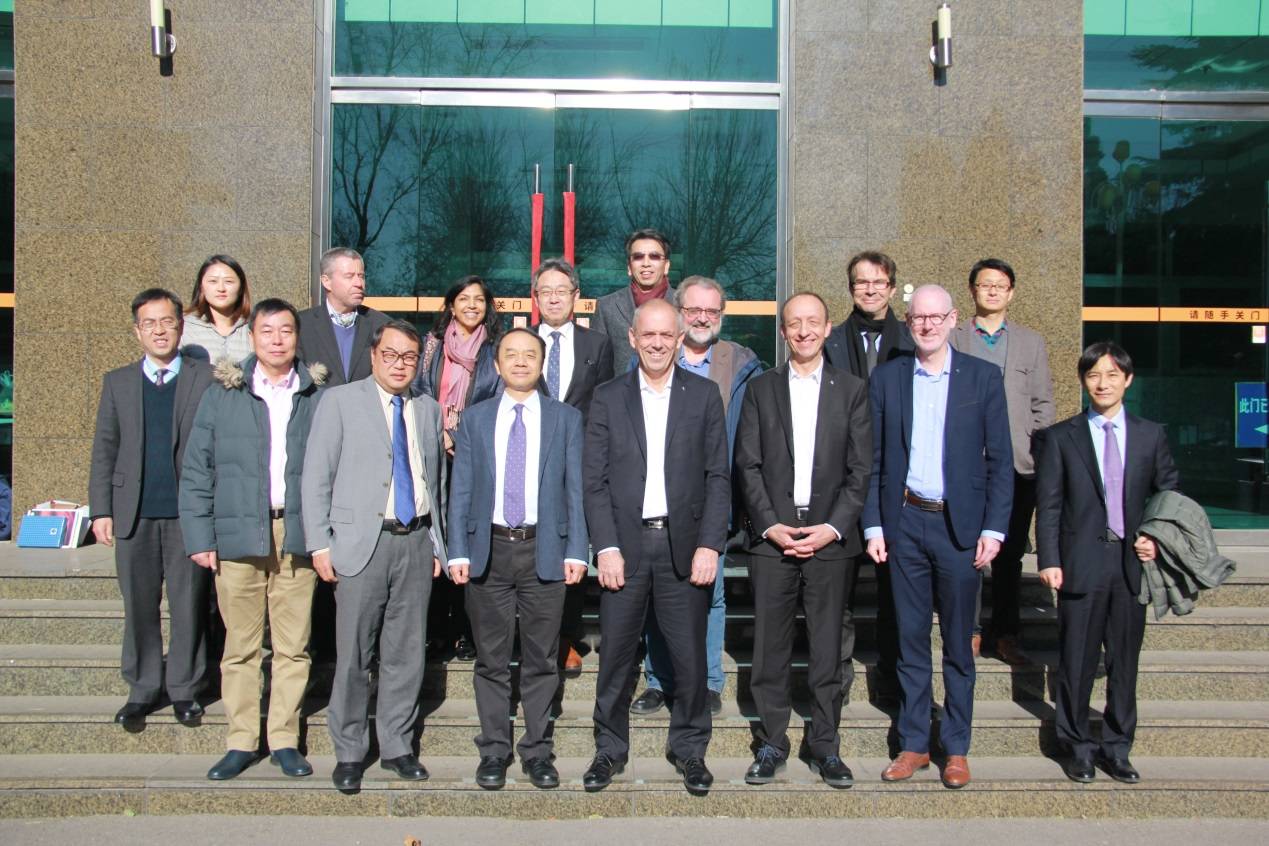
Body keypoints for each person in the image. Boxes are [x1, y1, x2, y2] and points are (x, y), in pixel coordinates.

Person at [863, 284, 1012, 790]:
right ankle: (913, 744)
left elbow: (1000, 462)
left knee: (957, 645)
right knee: (909, 641)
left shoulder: (983, 378)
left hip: (960, 529)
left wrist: (994, 528)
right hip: (904, 523)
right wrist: (874, 524)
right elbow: (873, 460)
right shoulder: (887, 378)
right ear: (908, 323)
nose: (926, 325)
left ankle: (956, 747)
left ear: (952, 319)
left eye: (935, 317)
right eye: (918, 318)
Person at [582, 299, 730, 796]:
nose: (658, 343)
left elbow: (718, 477)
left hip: (683, 548)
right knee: (615, 659)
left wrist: (710, 544)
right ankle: (609, 749)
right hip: (623, 549)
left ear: (680, 337)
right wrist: (604, 546)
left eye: (667, 335)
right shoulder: (607, 397)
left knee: (689, 660)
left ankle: (690, 751)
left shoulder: (704, 395)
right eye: (649, 334)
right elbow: (594, 480)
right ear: (632, 338)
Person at [179, 298, 327, 782]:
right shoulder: (224, 393)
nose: (277, 340)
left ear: (297, 337)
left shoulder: (317, 394)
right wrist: (200, 535)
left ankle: (283, 739)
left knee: (292, 646)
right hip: (237, 530)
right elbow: (197, 469)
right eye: (267, 331)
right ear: (253, 337)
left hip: (295, 531)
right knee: (240, 647)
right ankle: (241, 740)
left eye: (286, 331)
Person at [302, 319, 449, 793]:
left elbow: (435, 483)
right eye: (391, 354)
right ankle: (349, 750)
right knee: (354, 654)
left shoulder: (427, 409)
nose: (400, 364)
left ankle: (397, 745)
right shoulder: (339, 402)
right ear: (373, 355)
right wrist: (320, 543)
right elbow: (316, 476)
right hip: (360, 544)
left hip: (415, 541)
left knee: (406, 653)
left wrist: (437, 543)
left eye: (410, 357)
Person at [734, 292, 871, 788]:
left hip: (830, 540)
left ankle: (825, 745)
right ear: (784, 331)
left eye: (813, 322)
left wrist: (832, 527)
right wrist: (769, 524)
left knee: (828, 649)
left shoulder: (852, 390)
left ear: (828, 328)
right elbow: (747, 464)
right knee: (769, 649)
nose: (804, 331)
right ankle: (771, 742)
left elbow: (861, 470)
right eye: (795, 323)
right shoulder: (761, 389)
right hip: (772, 539)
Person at [446, 327, 588, 790]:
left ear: (542, 364)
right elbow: (461, 489)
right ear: (497, 364)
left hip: (544, 549)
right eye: (512, 354)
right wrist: (457, 548)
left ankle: (537, 751)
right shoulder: (475, 418)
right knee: (490, 660)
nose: (521, 362)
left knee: (541, 659)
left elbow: (575, 489)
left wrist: (577, 549)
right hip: (488, 550)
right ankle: (493, 750)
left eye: (530, 355)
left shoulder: (566, 419)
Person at [1035, 341, 1179, 785]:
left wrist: (1156, 536)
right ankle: (1077, 747)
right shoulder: (1061, 437)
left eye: (1112, 375)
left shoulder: (1150, 435)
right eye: (1094, 375)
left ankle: (1117, 748)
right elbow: (1050, 505)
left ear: (1128, 380)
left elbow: (1169, 494)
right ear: (1083, 381)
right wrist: (1049, 559)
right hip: (1080, 563)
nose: (1103, 383)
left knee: (1124, 663)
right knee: (1076, 661)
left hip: (1130, 564)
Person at [631, 275, 762, 718]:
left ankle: (707, 681)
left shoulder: (741, 364)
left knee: (709, 594)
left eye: (712, 310)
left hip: (710, 500)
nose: (703, 318)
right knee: (655, 594)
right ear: (679, 313)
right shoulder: (651, 357)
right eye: (693, 310)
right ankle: (658, 680)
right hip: (655, 502)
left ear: (721, 315)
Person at [89, 288, 214, 732]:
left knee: (188, 605)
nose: (159, 331)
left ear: (180, 326)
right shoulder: (118, 382)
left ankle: (184, 689)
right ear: (137, 331)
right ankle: (142, 689)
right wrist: (101, 510)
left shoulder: (205, 378)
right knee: (139, 606)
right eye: (150, 323)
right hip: (134, 514)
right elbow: (105, 449)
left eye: (167, 322)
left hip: (187, 515)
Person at [949, 258, 1055, 664]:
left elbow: (1043, 404)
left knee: (1009, 555)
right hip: (968, 465)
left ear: (1011, 292)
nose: (992, 290)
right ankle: (971, 629)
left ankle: (1006, 632)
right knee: (969, 551)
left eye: (1000, 285)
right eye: (985, 284)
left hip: (1017, 465)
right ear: (972, 290)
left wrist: (1036, 449)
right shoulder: (955, 338)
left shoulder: (1031, 342)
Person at [823, 250, 913, 704]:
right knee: (838, 591)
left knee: (895, 590)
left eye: (879, 282)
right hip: (840, 480)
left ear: (892, 288)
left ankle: (892, 676)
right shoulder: (830, 342)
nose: (870, 289)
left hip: (896, 483)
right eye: (862, 282)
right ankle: (837, 676)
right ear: (851, 288)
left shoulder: (914, 342)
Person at [414, 275, 503, 662]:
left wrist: (461, 435)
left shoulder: (495, 348)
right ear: (451, 305)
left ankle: (467, 631)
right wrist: (440, 433)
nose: (471, 305)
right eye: (464, 299)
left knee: (469, 537)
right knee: (437, 536)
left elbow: (498, 399)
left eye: (479, 300)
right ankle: (437, 629)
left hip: (476, 454)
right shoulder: (431, 346)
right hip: (434, 452)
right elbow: (419, 391)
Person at [531, 258, 613, 673]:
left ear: (576, 296)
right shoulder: (520, 342)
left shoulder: (597, 345)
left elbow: (606, 405)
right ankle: (535, 636)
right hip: (529, 461)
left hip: (580, 463)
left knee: (574, 549)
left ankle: (566, 637)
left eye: (561, 291)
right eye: (545, 291)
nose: (554, 298)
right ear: (535, 298)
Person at [297, 247, 391, 387]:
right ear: (326, 281)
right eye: (349, 276)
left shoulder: (382, 325)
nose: (359, 284)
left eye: (361, 276)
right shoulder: (301, 325)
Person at [589, 228, 676, 375]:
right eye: (638, 257)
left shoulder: (683, 305)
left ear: (666, 265)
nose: (646, 263)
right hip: (621, 389)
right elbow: (596, 364)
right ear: (629, 267)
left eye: (654, 256)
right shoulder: (607, 307)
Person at [180, 255, 254, 365]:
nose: (221, 288)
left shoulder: (254, 327)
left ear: (241, 287)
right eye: (213, 281)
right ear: (201, 287)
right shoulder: (184, 327)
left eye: (228, 281)